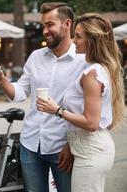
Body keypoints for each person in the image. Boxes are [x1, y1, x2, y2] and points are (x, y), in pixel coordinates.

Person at [0, 2, 86, 192]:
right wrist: (3, 82)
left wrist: (71, 145)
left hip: (62, 148)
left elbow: (87, 110)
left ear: (67, 24)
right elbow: (20, 92)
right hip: (30, 145)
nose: (45, 30)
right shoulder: (36, 56)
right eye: (43, 25)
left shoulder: (83, 61)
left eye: (50, 24)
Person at [36, 13, 125, 192]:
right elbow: (101, 122)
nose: (73, 40)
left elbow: (92, 123)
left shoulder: (92, 73)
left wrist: (57, 110)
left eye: (78, 36)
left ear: (92, 40)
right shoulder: (100, 68)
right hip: (89, 149)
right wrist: (71, 144)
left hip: (91, 153)